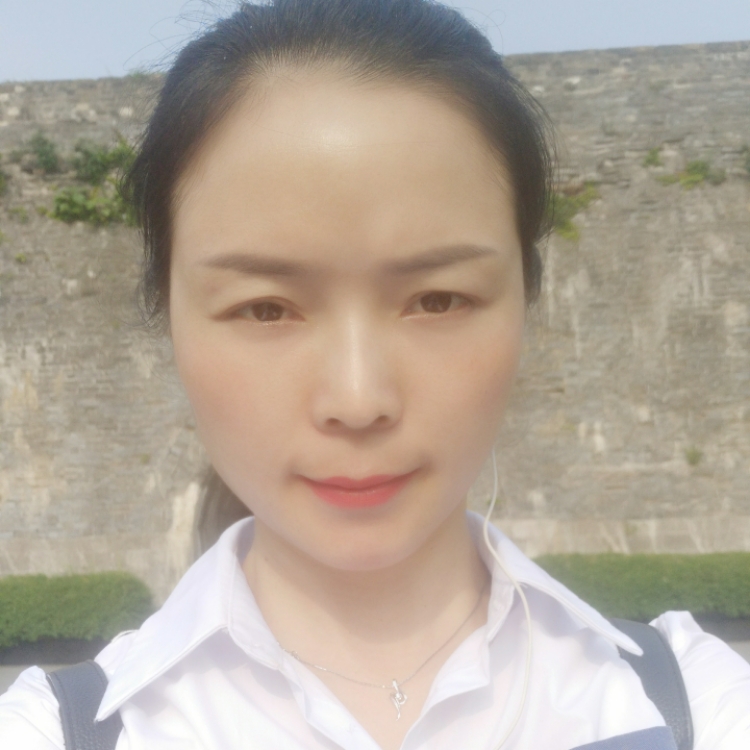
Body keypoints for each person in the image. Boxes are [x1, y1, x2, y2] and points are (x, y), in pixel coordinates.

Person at [1, 1, 748, 748]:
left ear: (527, 296)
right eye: (266, 308)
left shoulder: (690, 703)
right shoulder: (55, 730)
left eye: (437, 300)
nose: (358, 400)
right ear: (168, 314)